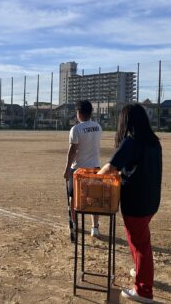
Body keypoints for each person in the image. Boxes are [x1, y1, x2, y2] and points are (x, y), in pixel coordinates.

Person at [97, 103, 162, 304]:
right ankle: (140, 270)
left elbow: (110, 167)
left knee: (140, 243)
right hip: (151, 199)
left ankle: (143, 290)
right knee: (139, 239)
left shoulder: (132, 142)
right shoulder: (153, 141)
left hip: (136, 201)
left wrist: (94, 177)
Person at [63, 100, 102, 238]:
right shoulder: (98, 127)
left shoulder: (76, 129)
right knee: (94, 198)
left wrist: (67, 169)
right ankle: (95, 228)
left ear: (79, 113)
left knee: (73, 198)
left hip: (78, 170)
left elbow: (72, 151)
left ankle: (74, 224)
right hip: (95, 167)